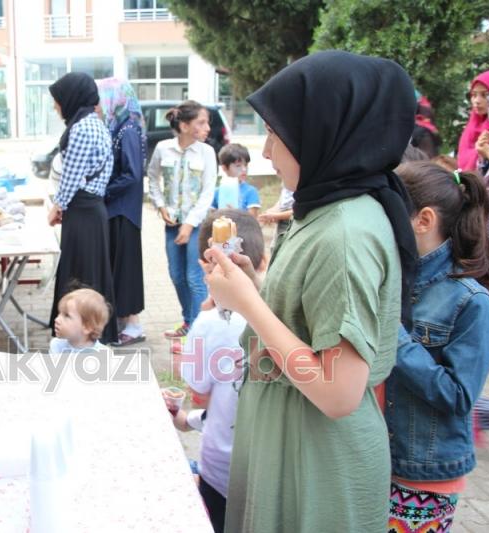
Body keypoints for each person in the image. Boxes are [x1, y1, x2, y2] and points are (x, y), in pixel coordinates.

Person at [204, 50, 418, 532]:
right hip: (294, 444)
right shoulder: (326, 209)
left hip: (315, 460)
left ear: (324, 131)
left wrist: (249, 305)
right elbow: (310, 319)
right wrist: (254, 285)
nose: (264, 152)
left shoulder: (345, 233)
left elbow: (337, 391)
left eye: (277, 135)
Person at [384, 162, 489, 532]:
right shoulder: (394, 278)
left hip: (425, 473)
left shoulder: (471, 301)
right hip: (380, 459)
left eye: (389, 212)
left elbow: (459, 395)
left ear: (424, 220)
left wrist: (394, 336)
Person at [171, 208, 266, 533]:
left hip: (221, 468)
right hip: (269, 470)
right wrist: (188, 422)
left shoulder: (208, 324)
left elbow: (200, 394)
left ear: (203, 268)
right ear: (262, 262)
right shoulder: (278, 315)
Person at [47, 72, 118, 344]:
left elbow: (72, 176)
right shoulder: (95, 123)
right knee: (92, 270)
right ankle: (93, 331)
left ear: (71, 97)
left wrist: (57, 206)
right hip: (90, 210)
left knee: (79, 272)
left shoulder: (80, 128)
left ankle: (76, 333)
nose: (56, 106)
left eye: (58, 100)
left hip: (83, 211)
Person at [147, 100, 217, 341]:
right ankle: (189, 321)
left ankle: (200, 332)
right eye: (202, 122)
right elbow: (153, 179)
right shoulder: (163, 148)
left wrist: (190, 224)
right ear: (185, 126)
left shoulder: (207, 152)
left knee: (194, 277)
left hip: (196, 225)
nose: (208, 127)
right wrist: (160, 206)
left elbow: (208, 192)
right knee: (176, 275)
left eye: (207, 122)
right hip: (171, 224)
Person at [97, 77, 147, 346]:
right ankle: (124, 322)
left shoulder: (127, 129)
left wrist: (103, 191)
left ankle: (133, 325)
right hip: (119, 209)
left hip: (123, 211)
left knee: (125, 269)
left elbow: (133, 174)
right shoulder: (121, 125)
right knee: (120, 267)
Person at [49, 288, 110, 353]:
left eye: (66, 315)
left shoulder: (102, 354)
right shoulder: (56, 345)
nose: (57, 319)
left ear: (87, 327)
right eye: (59, 313)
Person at [457, 69, 489, 171]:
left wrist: (488, 154)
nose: (477, 101)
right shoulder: (471, 128)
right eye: (474, 95)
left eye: (485, 95)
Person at [211, 144, 261, 218]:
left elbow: (253, 220)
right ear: (224, 168)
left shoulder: (250, 191)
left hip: (244, 229)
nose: (244, 169)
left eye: (246, 165)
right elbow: (210, 218)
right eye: (238, 166)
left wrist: (236, 214)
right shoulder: (217, 192)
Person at [258, 185, 294, 250]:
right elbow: (281, 202)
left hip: (292, 224)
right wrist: (270, 212)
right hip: (280, 226)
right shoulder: (286, 184)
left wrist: (277, 216)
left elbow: (300, 210)